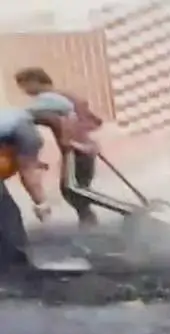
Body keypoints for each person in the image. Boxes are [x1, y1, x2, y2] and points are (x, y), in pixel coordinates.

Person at [15, 67, 102, 227]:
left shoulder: (49, 99)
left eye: (24, 85)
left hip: (76, 149)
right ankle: (88, 221)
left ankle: (95, 217)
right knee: (75, 188)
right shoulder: (64, 96)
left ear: (35, 81)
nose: (24, 91)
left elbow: (28, 114)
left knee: (73, 189)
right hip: (82, 146)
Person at [0, 108, 65, 270]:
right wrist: (42, 204)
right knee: (7, 215)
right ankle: (15, 265)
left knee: (7, 214)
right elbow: (28, 174)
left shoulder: (15, 122)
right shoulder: (27, 133)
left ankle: (13, 262)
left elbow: (26, 165)